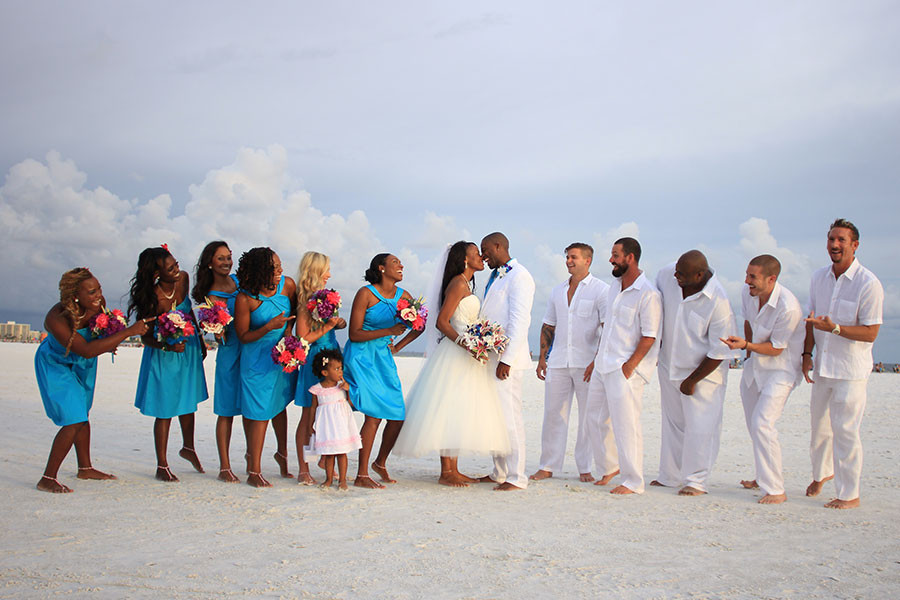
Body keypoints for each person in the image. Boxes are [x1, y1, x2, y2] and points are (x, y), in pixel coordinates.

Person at [394, 241, 511, 486]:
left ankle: (453, 469)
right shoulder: (458, 283)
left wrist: (480, 339)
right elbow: (442, 322)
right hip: (455, 353)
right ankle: (446, 472)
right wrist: (466, 344)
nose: (481, 256)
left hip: (466, 353)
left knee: (458, 409)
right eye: (476, 253)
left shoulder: (466, 283)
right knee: (449, 407)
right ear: (465, 260)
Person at [34, 268, 149, 493]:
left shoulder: (98, 304)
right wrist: (128, 332)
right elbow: (85, 349)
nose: (98, 295)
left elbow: (95, 340)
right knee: (73, 418)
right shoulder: (56, 318)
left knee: (82, 413)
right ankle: (47, 477)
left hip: (83, 364)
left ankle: (85, 467)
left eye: (99, 289)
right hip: (56, 364)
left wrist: (108, 342)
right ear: (75, 296)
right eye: (92, 292)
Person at [803, 218, 883, 509]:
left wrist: (835, 328)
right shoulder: (818, 278)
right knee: (819, 428)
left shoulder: (868, 284)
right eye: (831, 240)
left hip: (851, 370)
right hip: (823, 367)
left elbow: (871, 331)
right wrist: (806, 355)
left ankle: (850, 493)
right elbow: (812, 320)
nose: (834, 245)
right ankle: (822, 474)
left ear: (854, 245)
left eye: (841, 241)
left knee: (846, 431)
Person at [720, 255, 804, 504]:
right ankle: (761, 476)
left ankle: (776, 489)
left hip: (781, 369)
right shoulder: (749, 294)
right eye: (747, 275)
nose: (747, 281)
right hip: (754, 366)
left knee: (762, 423)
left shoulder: (788, 306)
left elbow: (777, 348)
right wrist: (748, 352)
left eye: (752, 277)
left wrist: (748, 345)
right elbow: (748, 322)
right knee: (753, 425)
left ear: (771, 279)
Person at [653, 250, 735, 496]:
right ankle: (670, 476)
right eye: (676, 271)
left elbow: (720, 351)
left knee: (701, 427)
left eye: (683, 275)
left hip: (703, 375)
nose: (676, 277)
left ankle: (696, 481)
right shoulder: (667, 275)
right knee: (673, 425)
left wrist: (692, 380)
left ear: (699, 275)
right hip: (669, 365)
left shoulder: (718, 301)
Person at [585, 238, 662, 494]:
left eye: (616, 255)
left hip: (624, 368)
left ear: (630, 258)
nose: (611, 260)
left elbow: (649, 335)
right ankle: (610, 467)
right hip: (603, 364)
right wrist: (597, 359)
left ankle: (633, 481)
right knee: (594, 418)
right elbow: (608, 328)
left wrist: (630, 366)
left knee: (626, 425)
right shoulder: (613, 287)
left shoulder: (648, 293)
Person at [531, 242, 611, 483]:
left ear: (587, 261)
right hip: (558, 362)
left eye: (573, 257)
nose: (568, 261)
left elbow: (607, 329)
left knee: (588, 417)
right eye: (567, 257)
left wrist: (597, 361)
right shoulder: (557, 291)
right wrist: (543, 358)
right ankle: (548, 465)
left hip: (587, 363)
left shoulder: (601, 290)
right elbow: (548, 325)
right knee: (554, 414)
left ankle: (585, 467)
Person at [129, 246, 208, 482]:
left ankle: (188, 447)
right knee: (164, 410)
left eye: (176, 264)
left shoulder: (183, 279)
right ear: (156, 274)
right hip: (164, 354)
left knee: (188, 400)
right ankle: (161, 464)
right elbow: (144, 336)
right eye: (170, 268)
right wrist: (167, 346)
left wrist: (201, 341)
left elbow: (190, 313)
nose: (177, 269)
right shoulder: (151, 297)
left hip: (188, 349)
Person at [343, 253, 422, 488]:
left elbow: (419, 325)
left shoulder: (404, 296)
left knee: (397, 415)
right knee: (374, 414)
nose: (401, 266)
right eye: (396, 262)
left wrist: (398, 345)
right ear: (381, 268)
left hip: (384, 357)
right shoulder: (365, 293)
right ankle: (361, 474)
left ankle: (380, 462)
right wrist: (389, 330)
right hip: (361, 356)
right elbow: (354, 334)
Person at [234, 247, 297, 487]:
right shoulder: (245, 298)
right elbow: (243, 336)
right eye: (274, 268)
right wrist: (270, 327)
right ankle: (254, 469)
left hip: (282, 358)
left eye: (281, 265)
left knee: (278, 406)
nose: (281, 270)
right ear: (260, 271)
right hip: (256, 360)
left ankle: (282, 454)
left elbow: (295, 313)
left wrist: (288, 335)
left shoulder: (288, 285)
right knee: (258, 412)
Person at [478, 232, 535, 491]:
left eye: (486, 250)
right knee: (495, 417)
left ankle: (517, 476)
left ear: (499, 246)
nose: (483, 255)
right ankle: (499, 471)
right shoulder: (494, 275)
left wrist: (508, 359)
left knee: (510, 418)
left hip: (506, 361)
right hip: (488, 358)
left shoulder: (520, 276)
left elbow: (519, 321)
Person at [293, 251, 346, 485]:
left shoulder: (326, 298)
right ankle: (303, 468)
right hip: (315, 359)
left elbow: (332, 324)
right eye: (326, 270)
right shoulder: (305, 301)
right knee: (309, 414)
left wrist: (338, 323)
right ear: (315, 271)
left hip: (332, 353)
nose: (329, 274)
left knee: (332, 411)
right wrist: (328, 327)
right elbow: (303, 336)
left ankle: (327, 460)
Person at [192, 241, 242, 483]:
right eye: (221, 258)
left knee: (253, 407)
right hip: (229, 352)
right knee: (226, 411)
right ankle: (224, 466)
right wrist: (215, 328)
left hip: (250, 348)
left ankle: (252, 455)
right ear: (210, 262)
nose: (226, 262)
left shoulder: (239, 282)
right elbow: (216, 333)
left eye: (229, 257)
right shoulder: (209, 296)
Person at [304, 349, 361, 490]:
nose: (340, 371)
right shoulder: (317, 389)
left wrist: (348, 390)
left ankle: (342, 480)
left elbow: (352, 404)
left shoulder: (342, 386)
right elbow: (313, 408)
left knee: (342, 453)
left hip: (342, 425)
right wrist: (309, 425)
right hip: (327, 426)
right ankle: (328, 479)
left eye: (341, 368)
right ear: (325, 373)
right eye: (336, 369)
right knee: (329, 454)